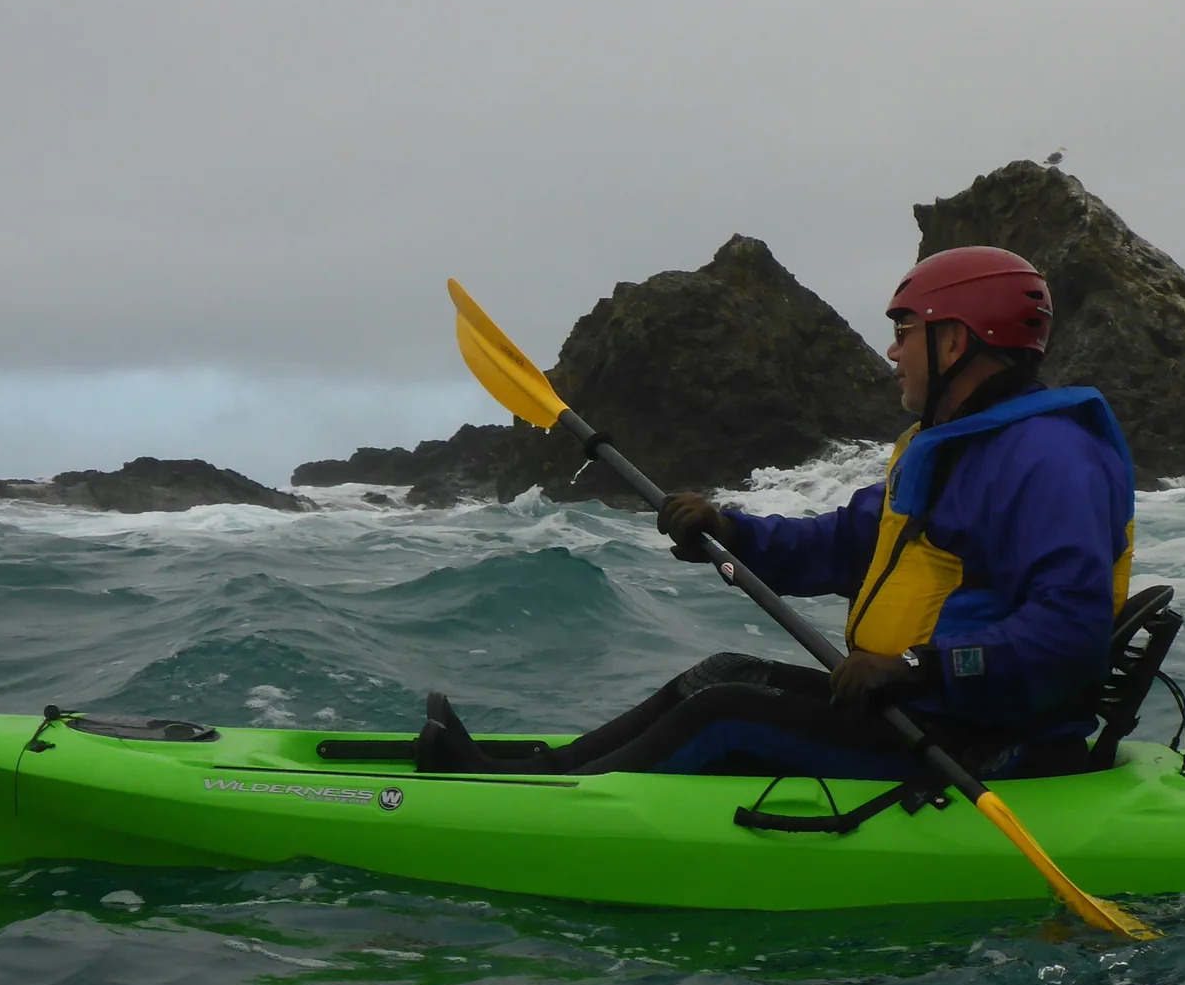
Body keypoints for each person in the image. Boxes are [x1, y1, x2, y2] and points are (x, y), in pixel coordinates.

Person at [416, 245, 1135, 780]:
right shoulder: (943, 447)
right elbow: (847, 545)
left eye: (905, 328)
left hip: (983, 738)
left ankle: (541, 807)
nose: (892, 350)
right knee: (719, 675)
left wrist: (917, 668)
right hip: (926, 709)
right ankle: (536, 776)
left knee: (724, 714)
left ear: (956, 339)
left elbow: (1070, 636)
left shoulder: (1050, 459)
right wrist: (732, 533)